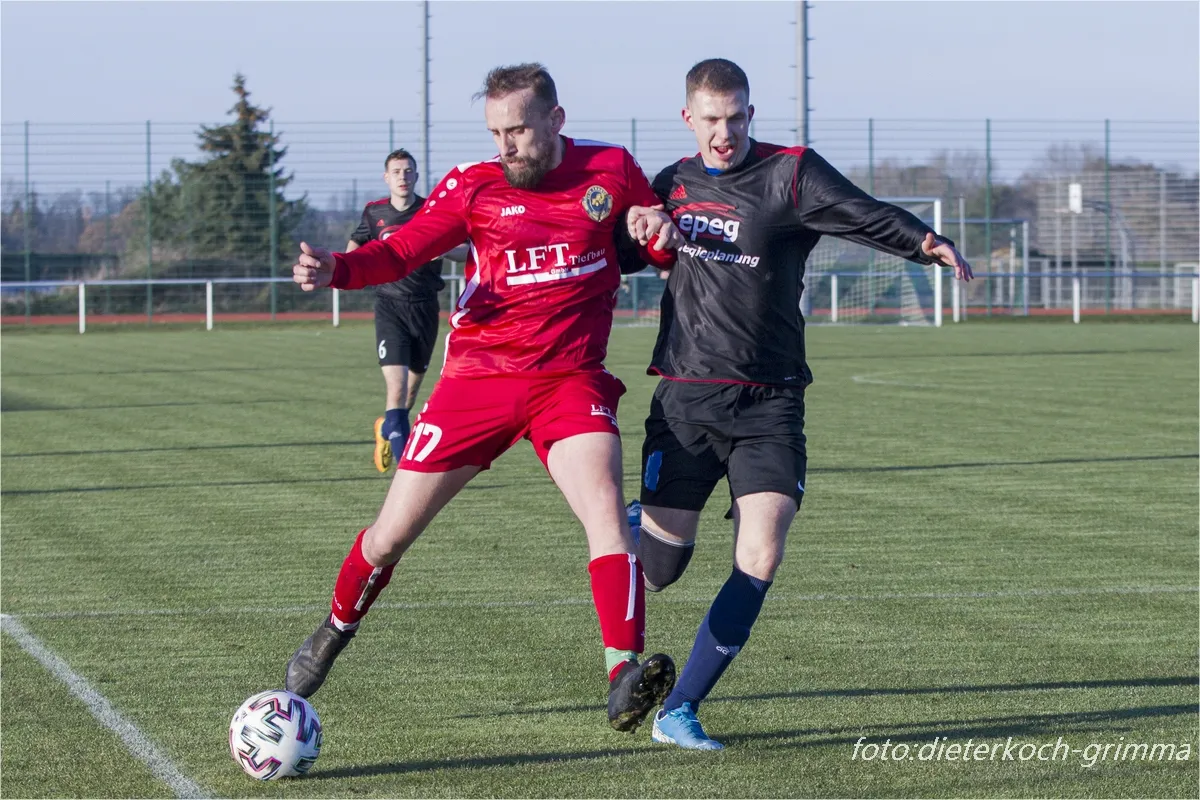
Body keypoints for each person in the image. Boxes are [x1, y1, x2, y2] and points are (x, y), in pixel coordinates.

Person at [287, 63, 684, 734]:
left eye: (519, 130)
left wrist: (657, 231)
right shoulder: (474, 185)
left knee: (606, 516)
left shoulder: (612, 169)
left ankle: (623, 672)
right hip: (477, 381)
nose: (506, 146)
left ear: (556, 120)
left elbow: (655, 239)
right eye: (496, 133)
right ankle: (334, 629)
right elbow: (400, 253)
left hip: (570, 380)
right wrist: (339, 269)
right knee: (388, 538)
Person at [623, 58, 974, 750]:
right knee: (661, 572)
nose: (725, 133)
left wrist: (925, 242)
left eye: (736, 117)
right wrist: (641, 224)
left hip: (772, 401)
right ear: (689, 118)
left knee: (762, 551)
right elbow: (622, 251)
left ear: (751, 114)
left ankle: (681, 709)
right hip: (687, 399)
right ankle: (634, 523)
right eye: (711, 119)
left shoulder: (790, 174)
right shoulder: (670, 184)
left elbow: (861, 213)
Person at [347, 149, 469, 472]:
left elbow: (466, 250)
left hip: (425, 307)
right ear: (386, 177)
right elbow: (356, 243)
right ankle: (406, 471)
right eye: (397, 171)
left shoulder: (432, 211)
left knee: (409, 393)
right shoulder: (374, 213)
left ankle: (387, 428)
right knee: (397, 388)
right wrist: (353, 266)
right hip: (389, 306)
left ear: (416, 175)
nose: (403, 177)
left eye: (408, 171)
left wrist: (442, 248)